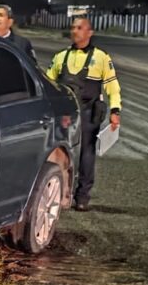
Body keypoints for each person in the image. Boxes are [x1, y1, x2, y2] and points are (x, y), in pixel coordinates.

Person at [44, 15, 122, 212]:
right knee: (58, 152)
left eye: (79, 28)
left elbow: (112, 85)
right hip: (65, 114)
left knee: (87, 154)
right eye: (73, 27)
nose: (75, 31)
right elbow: (47, 83)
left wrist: (115, 110)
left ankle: (82, 196)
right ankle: (59, 193)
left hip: (88, 113)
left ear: (90, 32)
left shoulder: (101, 58)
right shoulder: (60, 57)